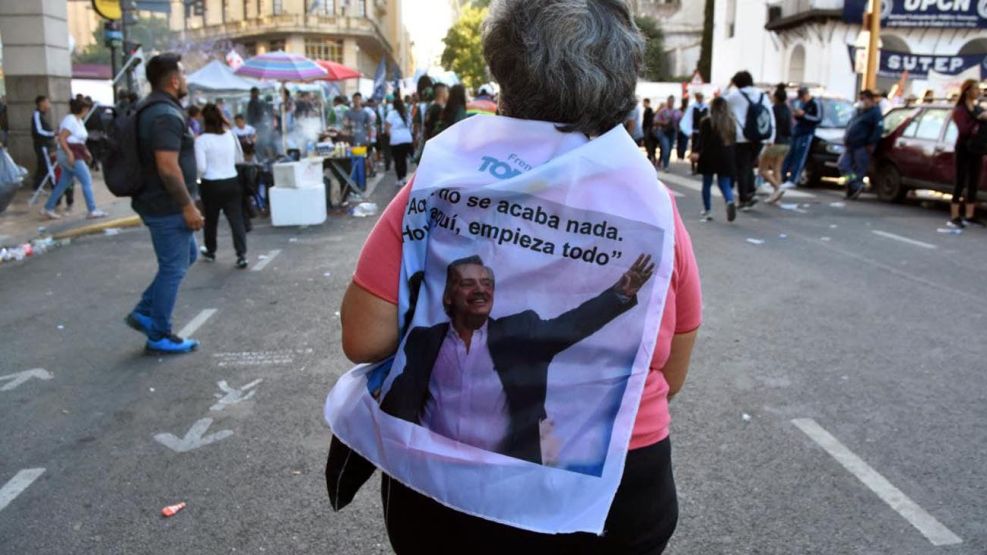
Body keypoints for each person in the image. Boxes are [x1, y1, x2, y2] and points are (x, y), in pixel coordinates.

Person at [339, 1, 700, 551]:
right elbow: (670, 374)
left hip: (449, 496)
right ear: (622, 84)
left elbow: (363, 337)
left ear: (504, 75)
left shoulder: (441, 185)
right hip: (618, 488)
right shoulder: (654, 207)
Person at [381, 254, 654, 462]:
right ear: (448, 297)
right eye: (467, 284)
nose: (480, 289)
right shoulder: (424, 341)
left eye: (486, 283)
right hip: (432, 465)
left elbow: (572, 325)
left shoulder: (521, 334)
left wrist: (619, 294)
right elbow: (401, 393)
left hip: (500, 472)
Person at [125, 53, 204, 355]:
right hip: (166, 206)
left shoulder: (158, 109)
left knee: (187, 256)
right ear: (173, 80)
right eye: (183, 75)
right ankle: (159, 332)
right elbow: (168, 167)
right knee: (173, 267)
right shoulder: (165, 115)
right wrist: (188, 206)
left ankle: (146, 311)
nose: (185, 80)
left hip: (159, 203)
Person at [195, 104, 247, 268]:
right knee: (236, 219)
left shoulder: (201, 141)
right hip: (231, 180)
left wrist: (200, 177)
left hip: (211, 183)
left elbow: (201, 168)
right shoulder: (230, 135)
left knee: (211, 219)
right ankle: (241, 254)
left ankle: (211, 250)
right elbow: (239, 158)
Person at [41, 98, 107, 220]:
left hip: (74, 152)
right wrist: (70, 153)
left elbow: (79, 139)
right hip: (70, 154)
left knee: (64, 182)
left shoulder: (77, 121)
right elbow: (62, 138)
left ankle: (48, 207)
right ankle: (92, 210)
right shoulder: (71, 120)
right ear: (84, 109)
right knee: (86, 180)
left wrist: (86, 151)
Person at [725, 71, 775, 209]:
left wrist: (728, 86)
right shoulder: (761, 94)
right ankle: (750, 191)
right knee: (750, 164)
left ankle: (744, 197)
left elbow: (720, 102)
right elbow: (769, 114)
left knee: (742, 167)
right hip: (759, 136)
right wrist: (771, 136)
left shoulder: (734, 96)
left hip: (742, 136)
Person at [948, 79, 987, 228]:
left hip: (977, 149)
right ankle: (955, 215)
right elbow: (964, 130)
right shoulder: (960, 110)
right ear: (967, 91)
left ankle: (970, 215)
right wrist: (979, 119)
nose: (978, 91)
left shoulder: (978, 108)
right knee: (960, 181)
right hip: (963, 149)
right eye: (976, 89)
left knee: (974, 181)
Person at [691, 97, 737, 222]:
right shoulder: (731, 122)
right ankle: (729, 200)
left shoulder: (706, 122)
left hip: (709, 156)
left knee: (707, 183)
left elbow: (702, 141)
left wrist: (696, 152)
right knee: (724, 183)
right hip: (726, 156)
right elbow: (734, 142)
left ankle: (708, 210)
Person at [838, 90, 883, 201]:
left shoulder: (875, 113)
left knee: (859, 170)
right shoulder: (859, 111)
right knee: (843, 165)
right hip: (851, 145)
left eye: (863, 99)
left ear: (870, 100)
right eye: (860, 99)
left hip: (862, 146)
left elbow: (878, 130)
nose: (861, 101)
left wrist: (870, 143)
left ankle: (853, 190)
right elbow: (851, 124)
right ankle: (854, 184)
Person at [780, 86, 821, 189]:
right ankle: (782, 177)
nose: (802, 99)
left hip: (807, 133)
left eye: (802, 96)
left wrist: (804, 115)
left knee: (799, 157)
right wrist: (797, 115)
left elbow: (818, 118)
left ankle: (793, 179)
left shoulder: (815, 103)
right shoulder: (802, 103)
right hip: (798, 131)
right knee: (790, 156)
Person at [758, 84, 792, 205]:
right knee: (777, 168)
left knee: (763, 169)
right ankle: (776, 195)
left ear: (776, 97)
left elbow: (770, 126)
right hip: (786, 143)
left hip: (774, 142)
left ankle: (777, 188)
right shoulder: (788, 110)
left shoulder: (773, 110)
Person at [385, 95, 413, 186]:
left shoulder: (391, 113)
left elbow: (387, 127)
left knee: (398, 160)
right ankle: (404, 178)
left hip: (396, 140)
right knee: (404, 159)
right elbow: (410, 125)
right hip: (407, 139)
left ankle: (399, 178)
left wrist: (390, 135)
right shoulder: (407, 113)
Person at [31, 96, 57, 193]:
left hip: (44, 144)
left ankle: (36, 186)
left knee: (42, 166)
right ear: (41, 103)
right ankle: (55, 187)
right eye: (47, 102)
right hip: (42, 145)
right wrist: (52, 133)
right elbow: (38, 131)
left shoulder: (40, 115)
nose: (49, 104)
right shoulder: (37, 114)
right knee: (48, 165)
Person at [679, 92, 708, 175]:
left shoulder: (706, 107)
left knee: (702, 150)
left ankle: (700, 167)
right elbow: (688, 119)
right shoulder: (692, 107)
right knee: (694, 149)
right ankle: (693, 167)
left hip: (704, 132)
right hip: (695, 131)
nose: (700, 99)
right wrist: (689, 131)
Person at [654, 95, 678, 171]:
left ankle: (666, 163)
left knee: (669, 149)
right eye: (669, 101)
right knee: (666, 148)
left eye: (672, 101)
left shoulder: (676, 111)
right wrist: (664, 122)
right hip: (663, 132)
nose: (671, 103)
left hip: (672, 132)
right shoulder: (663, 111)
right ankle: (665, 165)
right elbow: (655, 121)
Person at [642, 98, 656, 163]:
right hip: (646, 128)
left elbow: (649, 121)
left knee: (648, 143)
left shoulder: (649, 110)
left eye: (644, 102)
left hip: (648, 129)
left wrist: (648, 129)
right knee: (647, 143)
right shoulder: (647, 110)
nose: (643, 104)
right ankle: (650, 155)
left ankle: (650, 156)